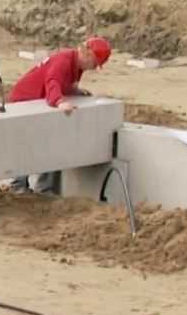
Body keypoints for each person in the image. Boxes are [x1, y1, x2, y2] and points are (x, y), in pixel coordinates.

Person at [7, 36, 112, 195]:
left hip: (38, 101)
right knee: (28, 141)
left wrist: (75, 92)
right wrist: (59, 101)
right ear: (88, 55)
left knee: (52, 140)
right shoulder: (64, 60)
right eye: (95, 64)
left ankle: (44, 187)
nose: (93, 68)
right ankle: (19, 185)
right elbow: (53, 81)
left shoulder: (76, 65)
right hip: (24, 101)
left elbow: (65, 83)